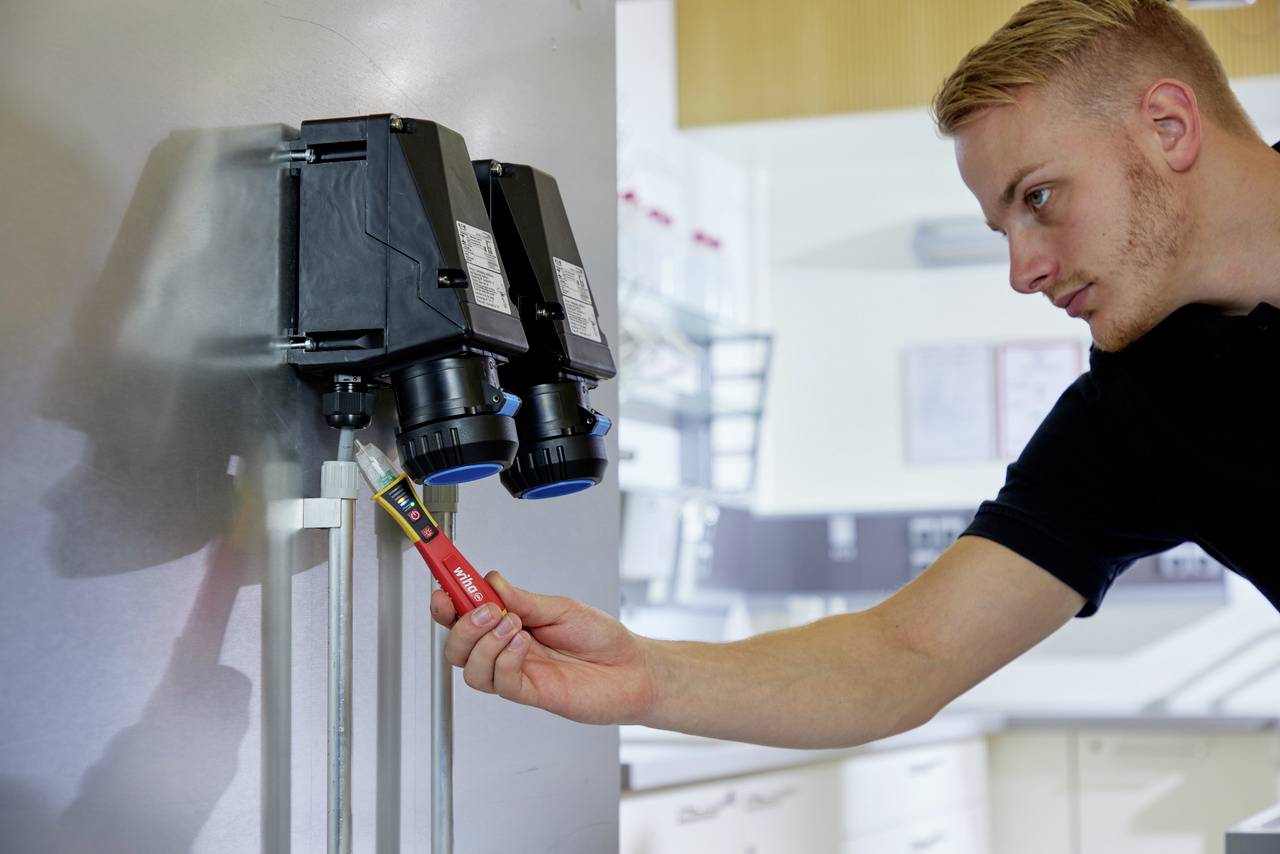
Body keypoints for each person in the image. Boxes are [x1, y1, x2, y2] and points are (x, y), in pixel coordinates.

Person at [430, 0, 1280, 749]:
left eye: (1041, 198)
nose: (1022, 271)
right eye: (1001, 228)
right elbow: (904, 655)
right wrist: (647, 676)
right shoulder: (1143, 408)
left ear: (1168, 126)